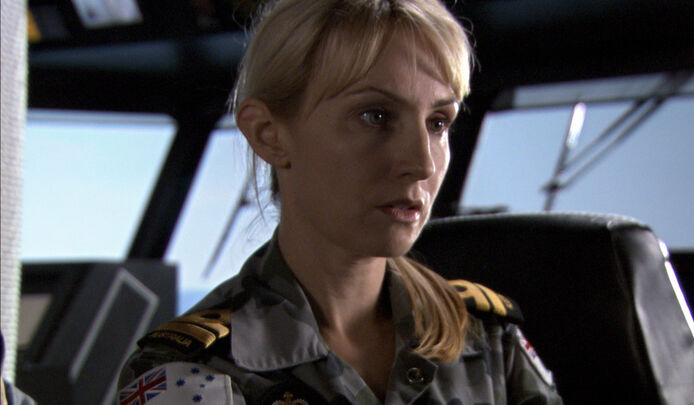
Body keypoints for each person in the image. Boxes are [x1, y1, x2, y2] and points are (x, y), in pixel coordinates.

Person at [118, 0, 563, 403]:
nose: (422, 163)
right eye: (375, 116)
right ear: (269, 135)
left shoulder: (486, 340)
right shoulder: (192, 373)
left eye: (438, 123)